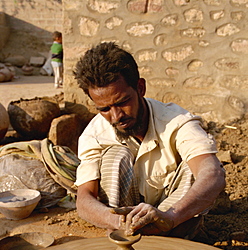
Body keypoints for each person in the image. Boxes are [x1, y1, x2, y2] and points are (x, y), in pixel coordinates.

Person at [73, 42, 225, 238]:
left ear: (140, 87)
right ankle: (123, 238)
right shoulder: (95, 134)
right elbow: (84, 199)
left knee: (195, 168)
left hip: (173, 221)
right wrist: (118, 221)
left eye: (122, 102)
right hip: (125, 223)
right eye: (104, 109)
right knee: (113, 156)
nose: (116, 116)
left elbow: (213, 174)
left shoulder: (175, 121)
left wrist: (169, 216)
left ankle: (172, 240)